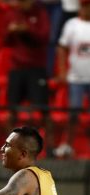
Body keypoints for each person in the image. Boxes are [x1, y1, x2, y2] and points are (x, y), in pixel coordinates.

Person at [1, 0, 54, 156]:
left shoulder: (40, 14)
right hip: (16, 68)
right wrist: (10, 32)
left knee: (44, 111)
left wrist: (27, 30)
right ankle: (9, 148)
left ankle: (49, 148)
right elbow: (3, 40)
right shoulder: (11, 14)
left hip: (36, 68)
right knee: (11, 111)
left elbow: (44, 37)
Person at [55, 0, 90, 157]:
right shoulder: (71, 25)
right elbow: (62, 48)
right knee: (73, 114)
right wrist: (62, 71)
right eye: (84, 6)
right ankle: (68, 145)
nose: (86, 9)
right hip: (76, 78)